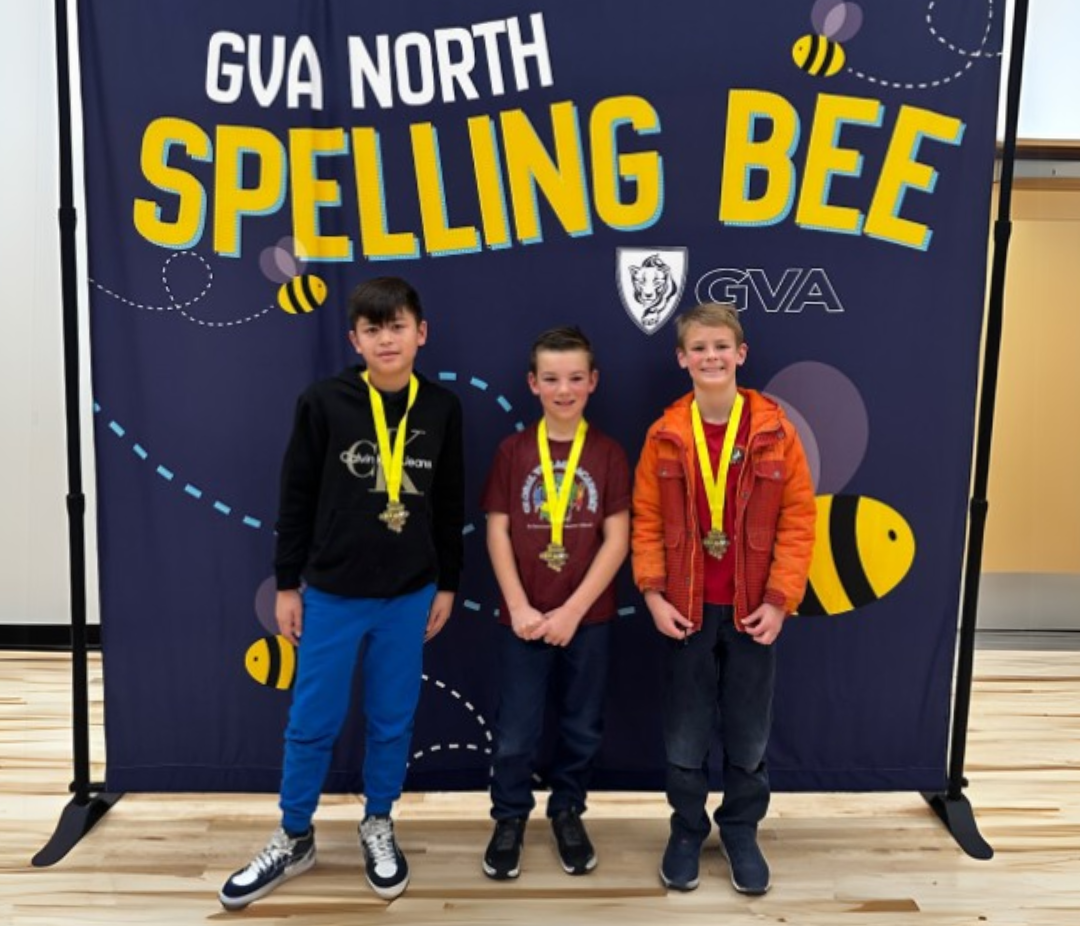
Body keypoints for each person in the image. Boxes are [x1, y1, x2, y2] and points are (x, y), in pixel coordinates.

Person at [219, 276, 464, 909]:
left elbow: (448, 504)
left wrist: (449, 583)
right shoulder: (323, 402)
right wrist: (288, 583)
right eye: (373, 329)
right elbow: (294, 498)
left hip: (410, 594)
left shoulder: (440, 409)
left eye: (398, 326)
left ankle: (378, 822)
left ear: (422, 334)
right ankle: (294, 833)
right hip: (330, 592)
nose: (387, 339)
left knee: (391, 719)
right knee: (312, 722)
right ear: (354, 339)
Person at [631, 302, 815, 896]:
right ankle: (687, 828)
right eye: (699, 348)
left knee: (748, 730)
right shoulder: (664, 435)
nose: (711, 357)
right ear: (681, 358)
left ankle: (740, 829)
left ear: (741, 354)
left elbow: (798, 520)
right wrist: (654, 595)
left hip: (752, 609)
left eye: (721, 347)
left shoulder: (774, 430)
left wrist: (782, 599)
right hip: (685, 609)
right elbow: (647, 520)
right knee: (685, 731)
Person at [480, 326, 630, 881]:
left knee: (582, 727)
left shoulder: (609, 453)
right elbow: (496, 532)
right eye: (551, 379)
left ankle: (567, 810)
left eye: (574, 378)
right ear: (532, 384)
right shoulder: (513, 451)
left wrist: (571, 612)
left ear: (593, 382)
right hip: (522, 618)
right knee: (516, 731)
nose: (563, 389)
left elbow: (618, 539)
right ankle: (510, 818)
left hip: (587, 620)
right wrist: (519, 606)